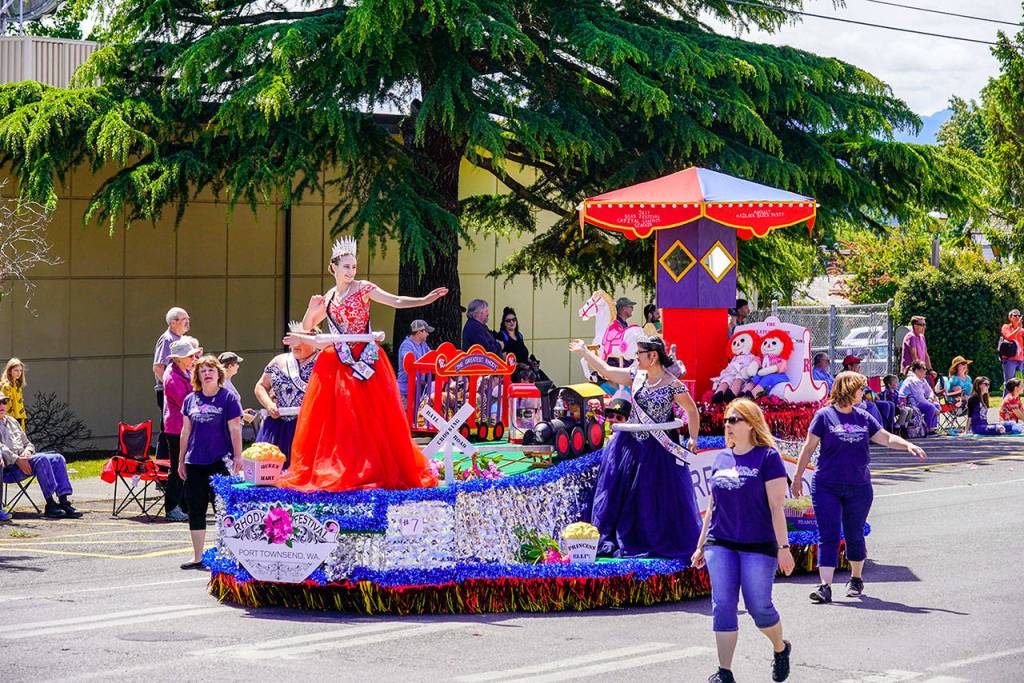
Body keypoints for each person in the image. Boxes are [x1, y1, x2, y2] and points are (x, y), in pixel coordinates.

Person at [276, 236, 446, 492]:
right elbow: (309, 327)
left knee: (370, 416)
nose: (351, 271)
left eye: (354, 267)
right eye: (346, 266)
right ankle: (341, 466)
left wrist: (423, 300)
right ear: (333, 267)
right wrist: (311, 309)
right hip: (336, 361)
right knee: (337, 418)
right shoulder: (330, 296)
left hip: (364, 359)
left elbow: (396, 301)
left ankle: (370, 468)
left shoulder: (363, 288)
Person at [793, 372, 926, 603]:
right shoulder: (824, 416)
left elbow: (885, 437)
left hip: (859, 486)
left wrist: (907, 445)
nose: (863, 393)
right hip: (827, 485)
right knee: (828, 534)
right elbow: (808, 447)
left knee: (854, 533)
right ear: (848, 389)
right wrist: (797, 478)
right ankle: (825, 585)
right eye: (860, 389)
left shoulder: (863, 417)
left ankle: (855, 579)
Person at [570, 335, 701, 559]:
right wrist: (584, 353)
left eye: (639, 353)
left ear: (653, 356)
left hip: (660, 449)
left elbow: (692, 411)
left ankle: (655, 539)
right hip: (632, 446)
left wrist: (693, 438)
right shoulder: (636, 376)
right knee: (627, 495)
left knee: (655, 496)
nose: (635, 357)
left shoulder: (672, 384)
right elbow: (607, 371)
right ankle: (630, 537)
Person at [692, 399, 794, 683]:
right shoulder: (721, 458)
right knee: (723, 604)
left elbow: (776, 507)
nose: (728, 425)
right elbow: (712, 507)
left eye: (734, 419)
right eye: (726, 420)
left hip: (758, 545)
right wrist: (701, 545)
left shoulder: (767, 458)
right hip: (720, 542)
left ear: (751, 424)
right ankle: (724, 672)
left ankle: (780, 647)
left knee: (758, 607)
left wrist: (783, 548)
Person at [178, 355, 243, 569]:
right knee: (196, 509)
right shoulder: (190, 400)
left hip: (219, 461)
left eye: (210, 370)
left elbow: (235, 428)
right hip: (194, 462)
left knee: (222, 509)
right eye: (202, 371)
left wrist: (238, 456)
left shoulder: (228, 398)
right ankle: (197, 557)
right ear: (197, 376)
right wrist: (180, 460)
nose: (207, 374)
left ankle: (228, 555)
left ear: (218, 374)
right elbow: (185, 432)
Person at [0, 395, 82, 519]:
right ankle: (50, 504)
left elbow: (28, 443)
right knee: (42, 460)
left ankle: (64, 501)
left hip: (25, 461)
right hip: (9, 469)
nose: (2, 405)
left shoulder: (12, 421)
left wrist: (28, 452)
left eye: (4, 401)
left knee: (57, 458)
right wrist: (17, 459)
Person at [255, 323, 321, 464]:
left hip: (310, 425)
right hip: (277, 424)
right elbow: (260, 386)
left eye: (301, 340)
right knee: (271, 472)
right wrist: (269, 404)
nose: (296, 345)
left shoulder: (323, 361)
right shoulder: (279, 361)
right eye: (293, 340)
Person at [162, 337, 202, 522]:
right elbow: (185, 401)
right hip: (177, 428)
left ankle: (185, 505)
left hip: (187, 426)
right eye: (189, 356)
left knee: (188, 466)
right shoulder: (172, 377)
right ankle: (171, 507)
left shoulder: (184, 371)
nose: (192, 359)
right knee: (178, 468)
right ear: (178, 358)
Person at [842, 355, 894, 431]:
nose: (859, 366)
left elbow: (867, 389)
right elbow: (861, 392)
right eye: (857, 364)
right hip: (854, 402)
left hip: (865, 399)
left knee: (889, 405)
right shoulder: (845, 376)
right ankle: (877, 432)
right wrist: (872, 396)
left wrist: (873, 394)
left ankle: (889, 430)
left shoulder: (857, 376)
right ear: (849, 366)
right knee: (871, 405)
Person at [495, 307, 546, 383]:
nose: (512, 322)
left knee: (544, 378)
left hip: (527, 368)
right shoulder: (502, 336)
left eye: (514, 319)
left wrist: (532, 362)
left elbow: (523, 353)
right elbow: (504, 359)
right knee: (531, 377)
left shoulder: (519, 335)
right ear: (504, 323)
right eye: (508, 321)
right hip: (515, 371)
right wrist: (520, 365)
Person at [395, 319, 434, 407]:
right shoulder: (407, 345)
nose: (428, 334)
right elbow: (408, 362)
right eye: (426, 331)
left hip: (417, 389)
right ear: (419, 332)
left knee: (415, 418)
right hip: (405, 391)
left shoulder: (423, 344)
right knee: (405, 417)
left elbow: (432, 356)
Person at [899, 360, 940, 432]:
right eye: (924, 369)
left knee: (936, 405)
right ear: (917, 370)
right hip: (908, 404)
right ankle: (926, 430)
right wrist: (931, 404)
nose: (926, 371)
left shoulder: (922, 379)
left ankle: (932, 429)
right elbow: (919, 398)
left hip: (917, 402)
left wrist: (930, 398)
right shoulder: (913, 380)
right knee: (931, 407)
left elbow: (930, 391)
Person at [999, 309, 1024, 394]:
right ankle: (1006, 405)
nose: (1017, 317)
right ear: (1010, 317)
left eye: (1019, 315)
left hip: (1020, 360)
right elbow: (1008, 337)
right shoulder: (1006, 327)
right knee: (1009, 383)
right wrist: (1018, 328)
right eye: (1015, 315)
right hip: (1009, 360)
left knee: (1018, 384)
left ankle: (1015, 404)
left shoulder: (1022, 330)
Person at [1, 358, 27, 430]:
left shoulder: (18, 387)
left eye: (20, 370)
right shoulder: (6, 387)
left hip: (19, 419)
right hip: (11, 420)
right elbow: (6, 406)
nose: (19, 373)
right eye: (16, 370)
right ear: (9, 371)